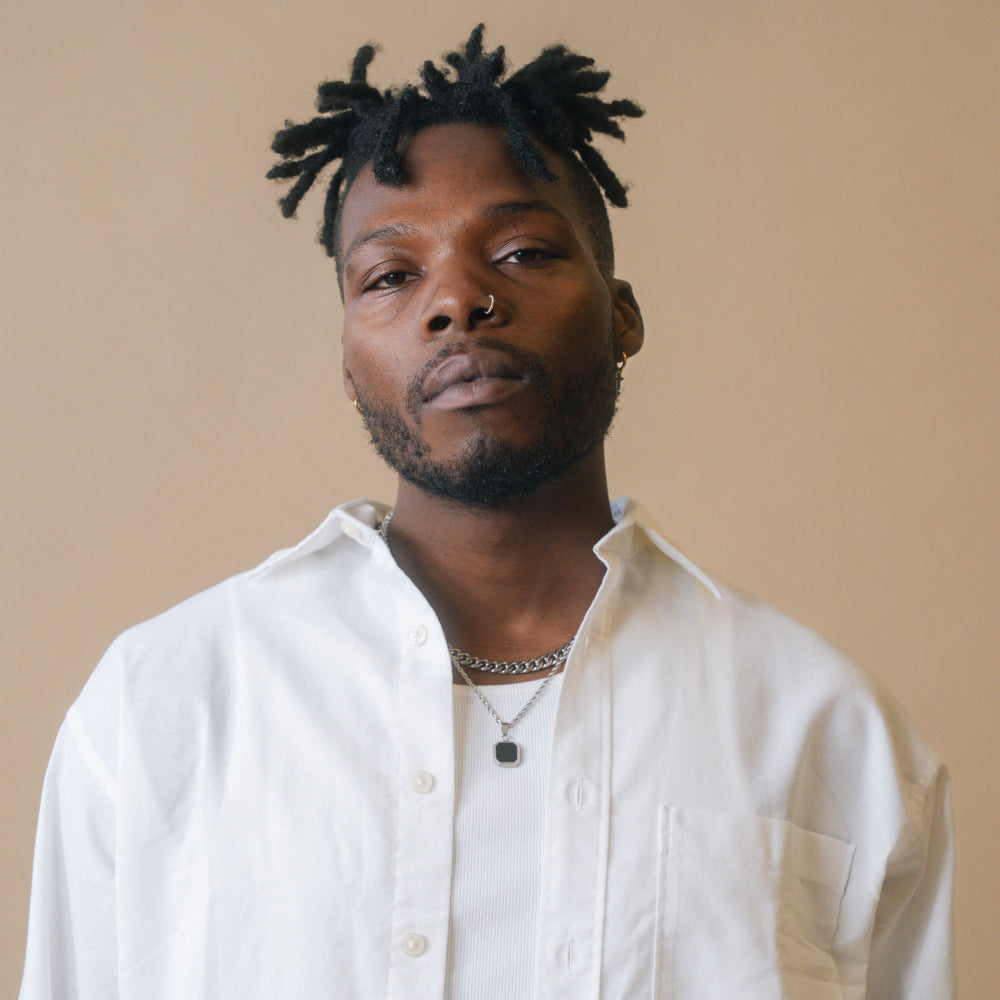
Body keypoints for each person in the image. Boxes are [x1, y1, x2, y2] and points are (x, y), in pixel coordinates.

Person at [20, 25, 955, 1000]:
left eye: (521, 252)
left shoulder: (829, 730)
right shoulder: (162, 705)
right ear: (349, 366)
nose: (458, 300)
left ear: (622, 316)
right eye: (391, 275)